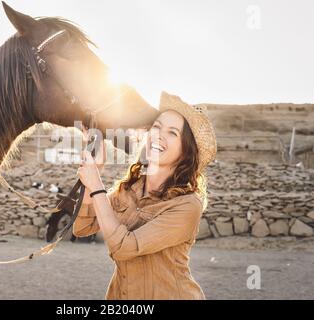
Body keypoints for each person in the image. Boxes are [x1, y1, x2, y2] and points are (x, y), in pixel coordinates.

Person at [74, 91, 217, 300]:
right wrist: (95, 171)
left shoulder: (187, 205)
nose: (158, 135)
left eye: (172, 133)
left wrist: (96, 184)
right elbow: (82, 227)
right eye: (156, 127)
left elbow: (124, 248)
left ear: (186, 151)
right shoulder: (130, 189)